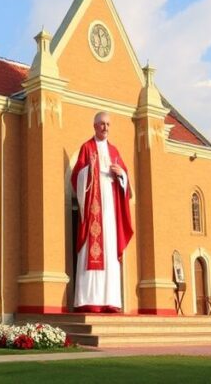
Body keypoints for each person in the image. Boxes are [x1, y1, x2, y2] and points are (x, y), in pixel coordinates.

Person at [70, 111, 134, 312]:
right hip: (93, 212)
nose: (105, 127)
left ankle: (110, 301)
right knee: (92, 250)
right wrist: (90, 170)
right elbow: (76, 177)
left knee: (110, 252)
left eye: (108, 124)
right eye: (102, 124)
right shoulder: (87, 148)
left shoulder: (114, 151)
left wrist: (121, 174)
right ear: (95, 126)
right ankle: (89, 300)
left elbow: (127, 186)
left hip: (110, 214)